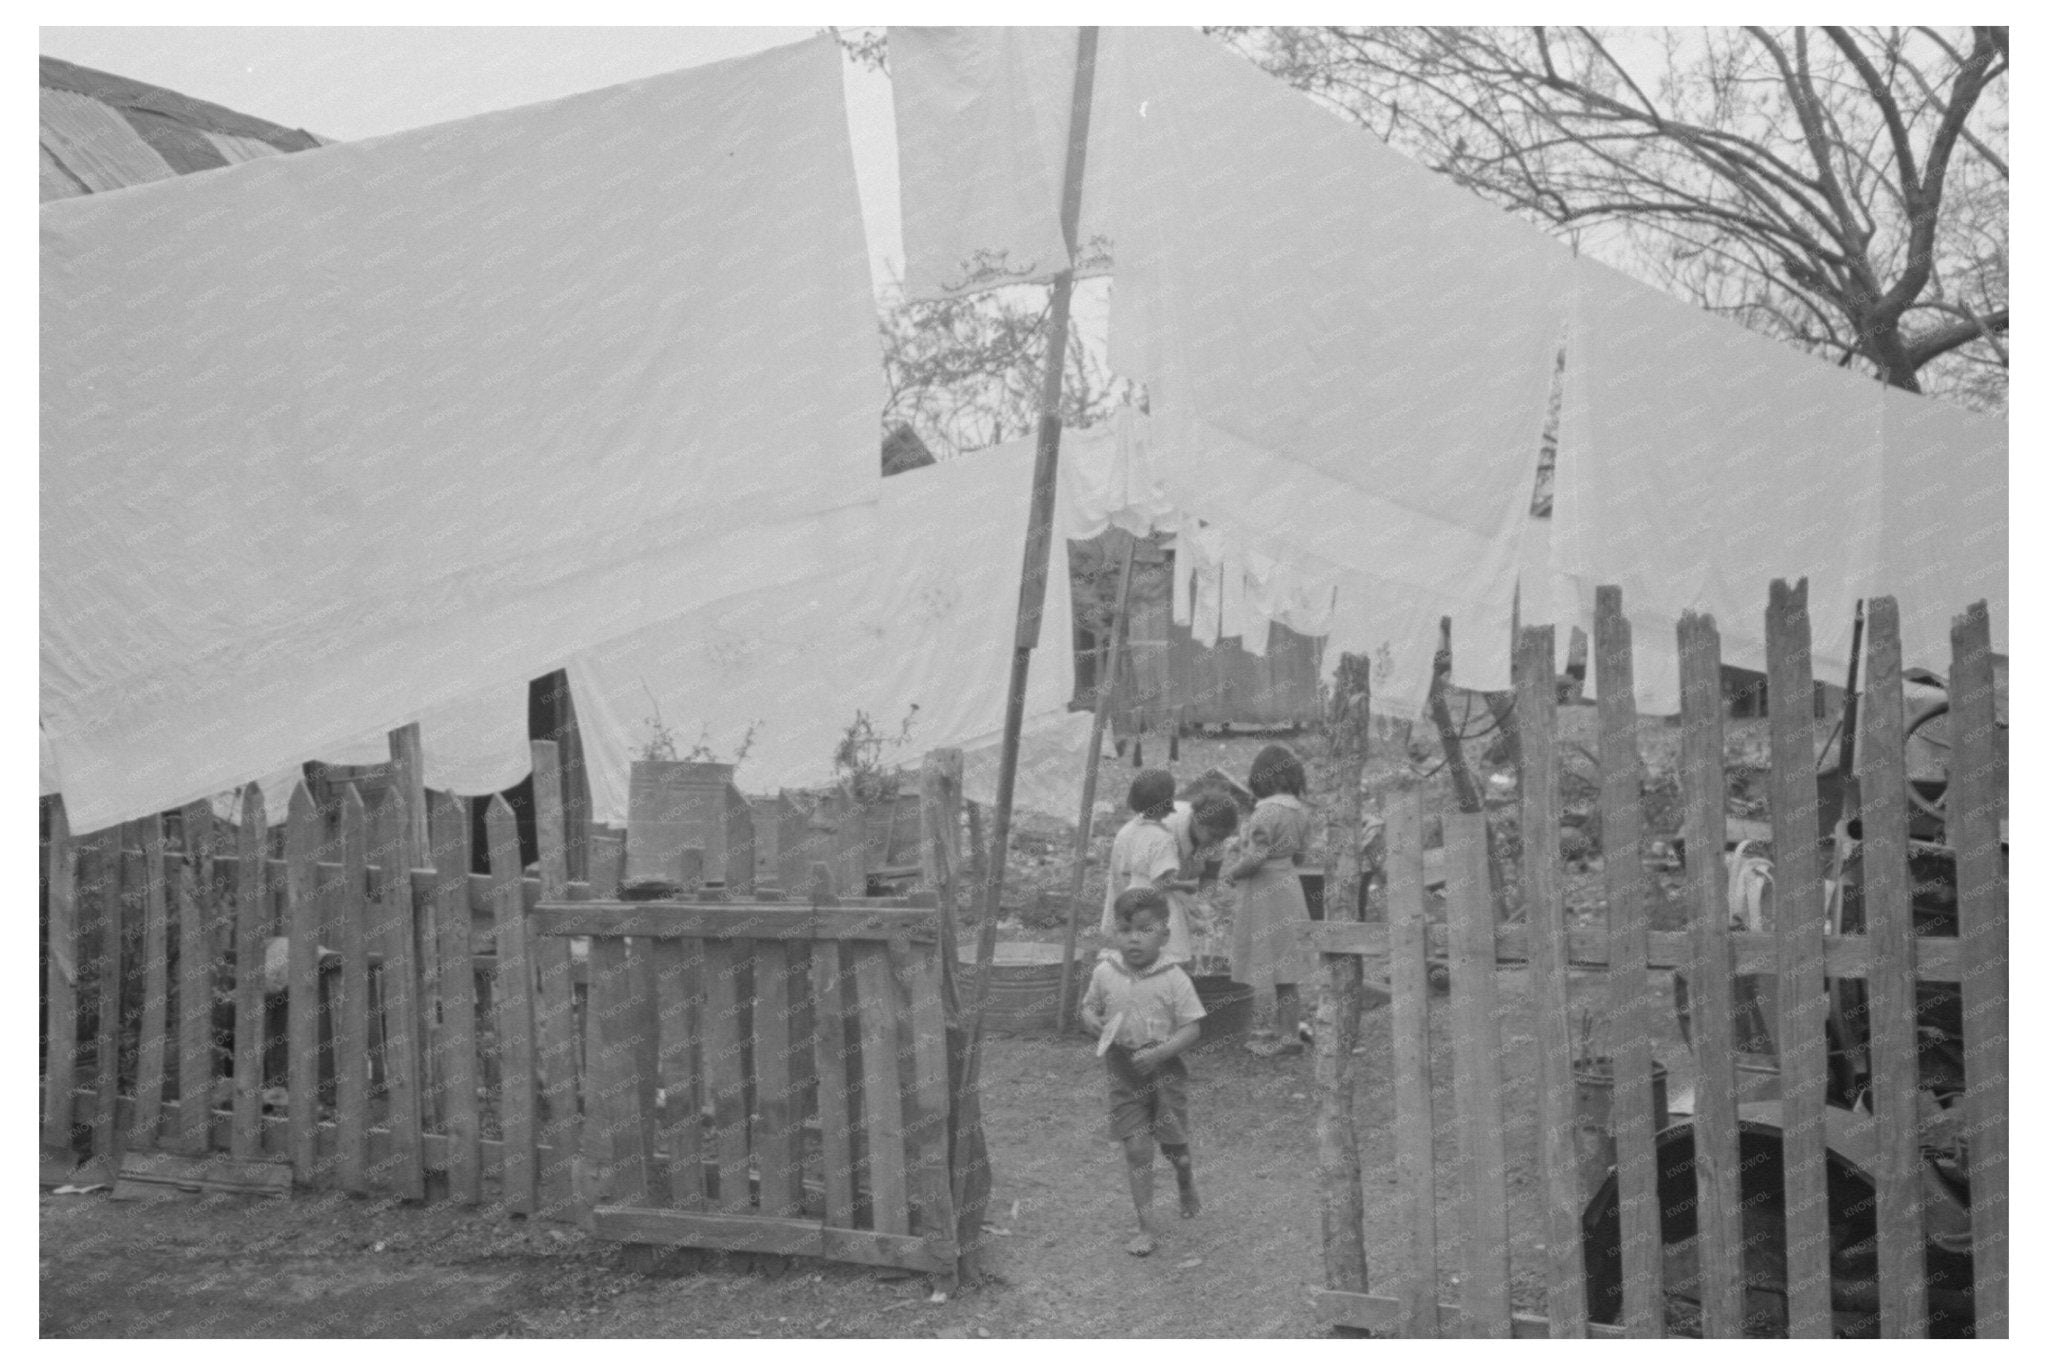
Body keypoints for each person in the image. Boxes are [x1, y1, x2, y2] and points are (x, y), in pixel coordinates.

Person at [1079, 886, 1207, 1256]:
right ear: (1115, 932)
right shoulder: (1106, 971)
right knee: (1136, 1149)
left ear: (1164, 936)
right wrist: (1092, 1021)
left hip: (1166, 1070)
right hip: (1122, 1068)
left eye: (1146, 930)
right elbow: (1088, 1008)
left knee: (1174, 1147)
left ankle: (1185, 1180)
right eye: (1125, 930)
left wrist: (1161, 1052)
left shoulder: (1174, 978)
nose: (1134, 939)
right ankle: (1146, 1227)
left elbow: (1193, 1028)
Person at [1225, 742, 1316, 1056]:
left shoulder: (1266, 812)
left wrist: (1233, 873)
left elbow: (1256, 858)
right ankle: (1286, 1029)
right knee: (1286, 964)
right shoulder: (1300, 811)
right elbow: (1302, 854)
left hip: (1265, 893)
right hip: (1289, 885)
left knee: (1278, 964)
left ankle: (1288, 1037)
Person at [1098, 769, 1196, 965]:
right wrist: (1188, 885)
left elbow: (1120, 870)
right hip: (1156, 902)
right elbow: (1161, 882)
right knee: (1165, 956)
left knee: (1135, 951)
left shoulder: (1128, 830)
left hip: (1131, 896)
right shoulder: (1163, 838)